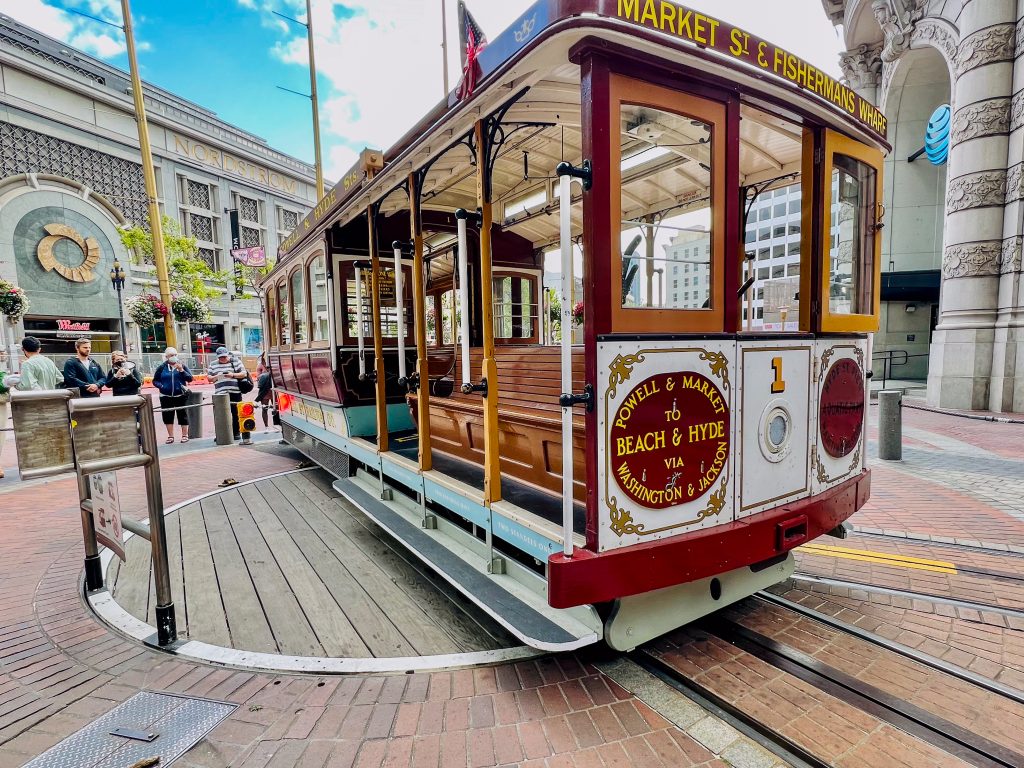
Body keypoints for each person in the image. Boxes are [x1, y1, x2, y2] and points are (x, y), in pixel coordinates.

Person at [152, 347, 193, 443]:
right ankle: (171, 436)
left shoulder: (182, 365)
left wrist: (182, 370)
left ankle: (184, 435)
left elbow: (190, 378)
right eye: (171, 355)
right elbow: (155, 380)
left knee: (182, 415)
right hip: (165, 395)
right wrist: (161, 386)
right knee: (167, 415)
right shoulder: (162, 367)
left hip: (180, 395)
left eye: (175, 355)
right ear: (166, 357)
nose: (174, 357)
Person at [207, 346, 246, 439]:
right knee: (221, 414)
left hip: (235, 392)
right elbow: (209, 378)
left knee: (235, 413)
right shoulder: (213, 364)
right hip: (220, 393)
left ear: (228, 355)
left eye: (224, 357)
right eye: (221, 357)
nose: (223, 359)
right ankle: (221, 433)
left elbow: (244, 373)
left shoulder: (235, 361)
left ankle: (236, 432)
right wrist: (218, 376)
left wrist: (232, 375)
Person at [255, 361, 274, 432]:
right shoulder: (260, 365)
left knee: (277, 409)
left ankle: (277, 424)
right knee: (264, 408)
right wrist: (266, 374)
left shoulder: (274, 362)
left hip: (273, 390)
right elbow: (258, 378)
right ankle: (266, 426)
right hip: (265, 390)